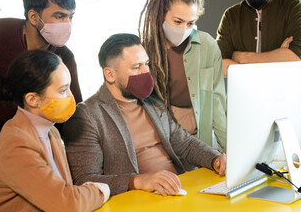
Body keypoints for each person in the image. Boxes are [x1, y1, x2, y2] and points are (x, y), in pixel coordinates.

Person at [63, 33, 226, 197]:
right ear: (110, 74)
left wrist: (215, 159)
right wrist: (138, 181)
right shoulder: (86, 115)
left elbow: (185, 144)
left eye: (146, 64)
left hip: (178, 191)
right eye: (136, 67)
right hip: (138, 200)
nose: (146, 72)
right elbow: (85, 180)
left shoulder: (152, 102)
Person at [0, 50, 109, 212]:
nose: (71, 97)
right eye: (63, 90)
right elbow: (66, 204)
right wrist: (100, 190)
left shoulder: (52, 132)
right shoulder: (15, 144)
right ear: (33, 99)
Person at [0, 0, 82, 163]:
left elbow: (73, 113)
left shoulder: (64, 57)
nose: (67, 24)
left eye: (71, 17)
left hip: (18, 137)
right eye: (59, 16)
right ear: (34, 17)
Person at [139, 0, 227, 152]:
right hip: (162, 137)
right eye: (177, 21)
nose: (183, 29)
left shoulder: (207, 45)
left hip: (201, 136)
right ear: (160, 14)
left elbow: (216, 102)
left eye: (190, 23)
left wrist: (229, 150)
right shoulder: (144, 51)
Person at [217, 0, 301, 77]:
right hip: (243, 92)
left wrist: (242, 58)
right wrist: (278, 56)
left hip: (283, 92)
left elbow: (294, 57)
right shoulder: (231, 16)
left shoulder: (294, 8)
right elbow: (220, 65)